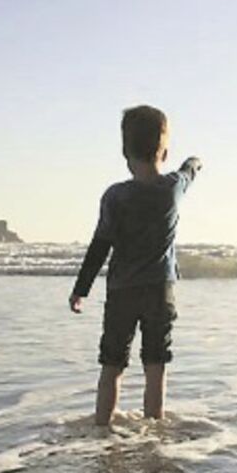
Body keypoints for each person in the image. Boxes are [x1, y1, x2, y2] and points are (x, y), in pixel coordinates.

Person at [69, 105, 202, 424]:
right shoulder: (172, 188)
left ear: (125, 153)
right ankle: (154, 431)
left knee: (112, 365)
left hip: (122, 291)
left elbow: (100, 246)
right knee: (155, 365)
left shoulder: (115, 196)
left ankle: (102, 428)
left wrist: (81, 290)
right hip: (160, 291)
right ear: (164, 153)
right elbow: (190, 169)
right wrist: (195, 160)